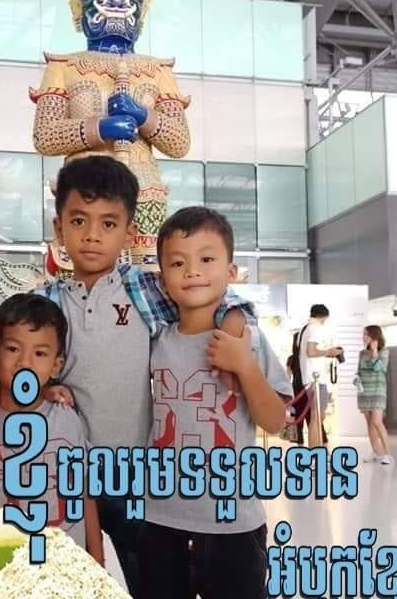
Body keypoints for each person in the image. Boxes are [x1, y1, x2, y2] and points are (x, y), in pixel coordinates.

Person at [0, 156, 252, 598]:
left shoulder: (146, 289)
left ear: (128, 231)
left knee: (152, 580)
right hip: (66, 479)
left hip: (135, 474)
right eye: (79, 221)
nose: (92, 235)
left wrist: (235, 319)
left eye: (108, 223)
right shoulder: (43, 302)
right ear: (59, 227)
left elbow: (212, 293)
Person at [139, 207, 292, 599]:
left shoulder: (247, 339)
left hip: (233, 524)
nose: (193, 271)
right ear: (163, 280)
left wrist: (245, 366)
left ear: (231, 271)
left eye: (207, 259)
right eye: (178, 263)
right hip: (160, 518)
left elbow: (275, 421)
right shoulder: (155, 341)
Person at [0, 293, 103, 562]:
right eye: (12, 349)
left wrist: (97, 557)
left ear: (56, 366)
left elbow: (84, 491)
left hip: (65, 567)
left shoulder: (66, 418)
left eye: (40, 353)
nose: (24, 362)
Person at [298, 304, 341, 448]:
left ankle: (315, 450)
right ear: (323, 317)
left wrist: (326, 353)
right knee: (317, 416)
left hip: (310, 378)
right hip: (315, 379)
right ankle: (314, 451)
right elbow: (311, 352)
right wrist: (328, 352)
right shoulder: (314, 328)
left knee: (317, 416)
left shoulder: (305, 329)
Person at [356, 324, 392, 466]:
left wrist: (375, 351)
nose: (364, 337)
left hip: (377, 391)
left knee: (377, 422)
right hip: (364, 392)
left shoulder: (384, 352)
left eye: (366, 334)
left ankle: (388, 455)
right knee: (370, 424)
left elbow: (379, 368)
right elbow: (359, 371)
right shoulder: (362, 353)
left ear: (374, 336)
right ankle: (376, 452)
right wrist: (356, 379)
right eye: (363, 334)